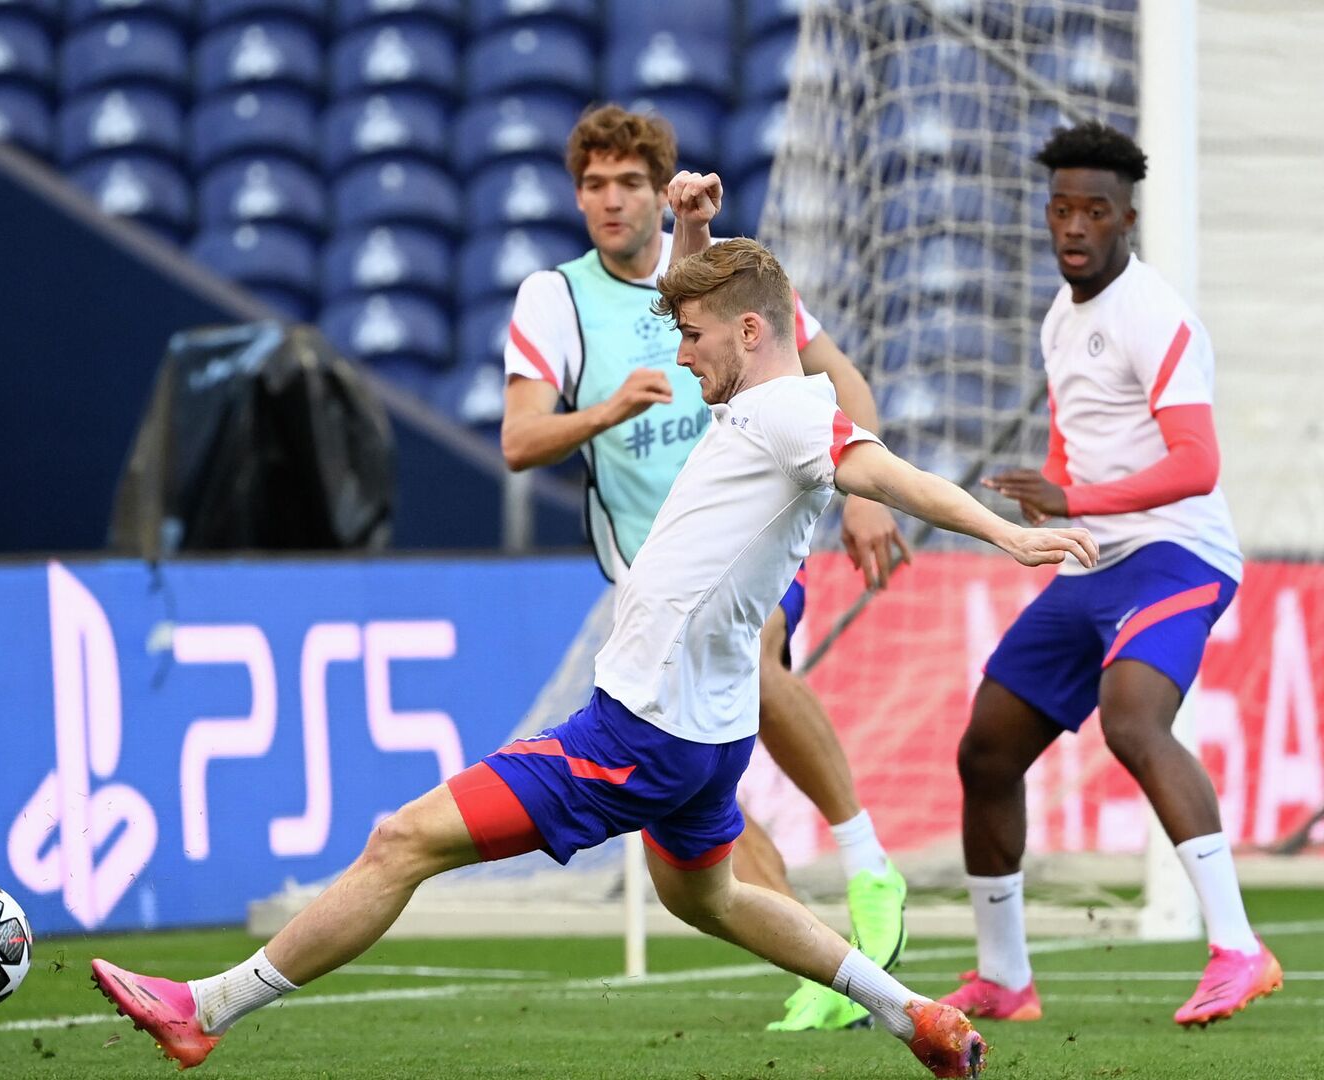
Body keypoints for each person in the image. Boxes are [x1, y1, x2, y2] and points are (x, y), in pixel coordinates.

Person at [95, 237, 1104, 1079]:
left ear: (752, 334)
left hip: (638, 733)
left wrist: (1004, 537)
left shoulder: (797, 412)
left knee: (403, 841)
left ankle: (207, 1008)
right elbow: (733, 313)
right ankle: (909, 1014)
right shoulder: (760, 401)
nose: (683, 353)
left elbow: (883, 469)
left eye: (697, 337)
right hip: (706, 732)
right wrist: (700, 240)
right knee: (707, 898)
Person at [498, 103, 911, 1031]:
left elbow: (835, 375)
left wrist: (870, 489)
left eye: (630, 183)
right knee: (689, 784)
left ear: (660, 190)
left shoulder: (729, 283)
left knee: (758, 668)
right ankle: (824, 959)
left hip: (755, 562)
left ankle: (868, 864)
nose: (611, 201)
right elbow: (520, 440)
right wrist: (604, 411)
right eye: (594, 184)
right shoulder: (554, 301)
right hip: (653, 590)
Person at [940, 121, 1282, 1028]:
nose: (1075, 226)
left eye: (1095, 210)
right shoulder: (1060, 320)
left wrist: (1075, 495)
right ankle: (1005, 979)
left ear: (1128, 218)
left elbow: (1198, 462)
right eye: (1061, 209)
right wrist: (1055, 514)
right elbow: (1070, 440)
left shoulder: (1154, 313)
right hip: (1099, 561)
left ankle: (1239, 947)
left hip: (1179, 552)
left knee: (1133, 720)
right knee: (986, 749)